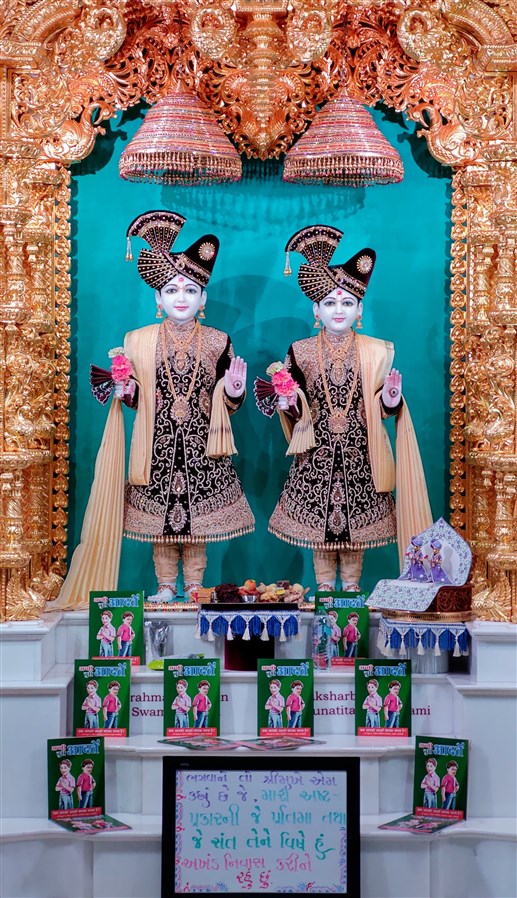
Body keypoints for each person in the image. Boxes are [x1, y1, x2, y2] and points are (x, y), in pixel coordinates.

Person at [57, 210, 254, 608]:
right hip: (156, 444)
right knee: (163, 522)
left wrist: (233, 391)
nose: (181, 298)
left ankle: (195, 586)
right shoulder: (138, 340)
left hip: (203, 445)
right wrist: (128, 390)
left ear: (203, 298)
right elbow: (135, 398)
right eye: (171, 290)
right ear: (157, 298)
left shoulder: (218, 341)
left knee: (196, 520)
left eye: (190, 290)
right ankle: (165, 585)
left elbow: (228, 404)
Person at [268, 225, 432, 591]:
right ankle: (325, 588)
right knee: (321, 529)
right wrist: (289, 403)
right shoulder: (301, 351)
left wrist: (390, 400)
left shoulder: (376, 350)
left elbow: (380, 409)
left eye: (346, 303)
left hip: (361, 453)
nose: (338, 310)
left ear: (360, 309)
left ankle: (353, 589)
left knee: (355, 528)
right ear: (316, 309)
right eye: (329, 303)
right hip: (315, 453)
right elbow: (294, 404)